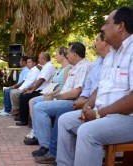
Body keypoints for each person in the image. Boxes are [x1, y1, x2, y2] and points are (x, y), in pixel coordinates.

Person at [56, 7, 133, 166]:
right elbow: (101, 87)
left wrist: (98, 114)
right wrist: (88, 104)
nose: (102, 28)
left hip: (127, 119)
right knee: (65, 120)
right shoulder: (112, 54)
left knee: (87, 132)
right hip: (104, 114)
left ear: (120, 26)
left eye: (106, 23)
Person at [33, 34, 109, 164]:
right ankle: (52, 151)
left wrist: (57, 97)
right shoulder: (92, 63)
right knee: (38, 103)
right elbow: (88, 88)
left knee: (43, 108)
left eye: (68, 53)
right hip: (85, 102)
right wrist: (55, 96)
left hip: (79, 102)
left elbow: (77, 92)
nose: (66, 55)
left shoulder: (85, 66)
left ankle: (49, 148)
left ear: (75, 55)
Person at [17, 47, 71, 126]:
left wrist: (51, 95)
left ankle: (36, 126)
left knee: (31, 100)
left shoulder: (67, 68)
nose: (55, 57)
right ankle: (35, 127)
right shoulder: (59, 68)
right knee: (30, 99)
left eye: (56, 55)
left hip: (57, 94)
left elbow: (65, 87)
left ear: (62, 55)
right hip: (50, 92)